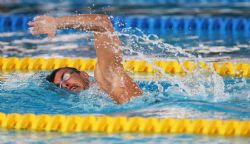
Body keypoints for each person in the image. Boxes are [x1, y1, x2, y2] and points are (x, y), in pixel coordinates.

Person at [28, 14, 143, 104]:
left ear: (84, 74)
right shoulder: (98, 99)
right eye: (60, 85)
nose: (65, 85)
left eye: (65, 77)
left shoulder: (105, 76)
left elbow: (102, 24)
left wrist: (57, 22)